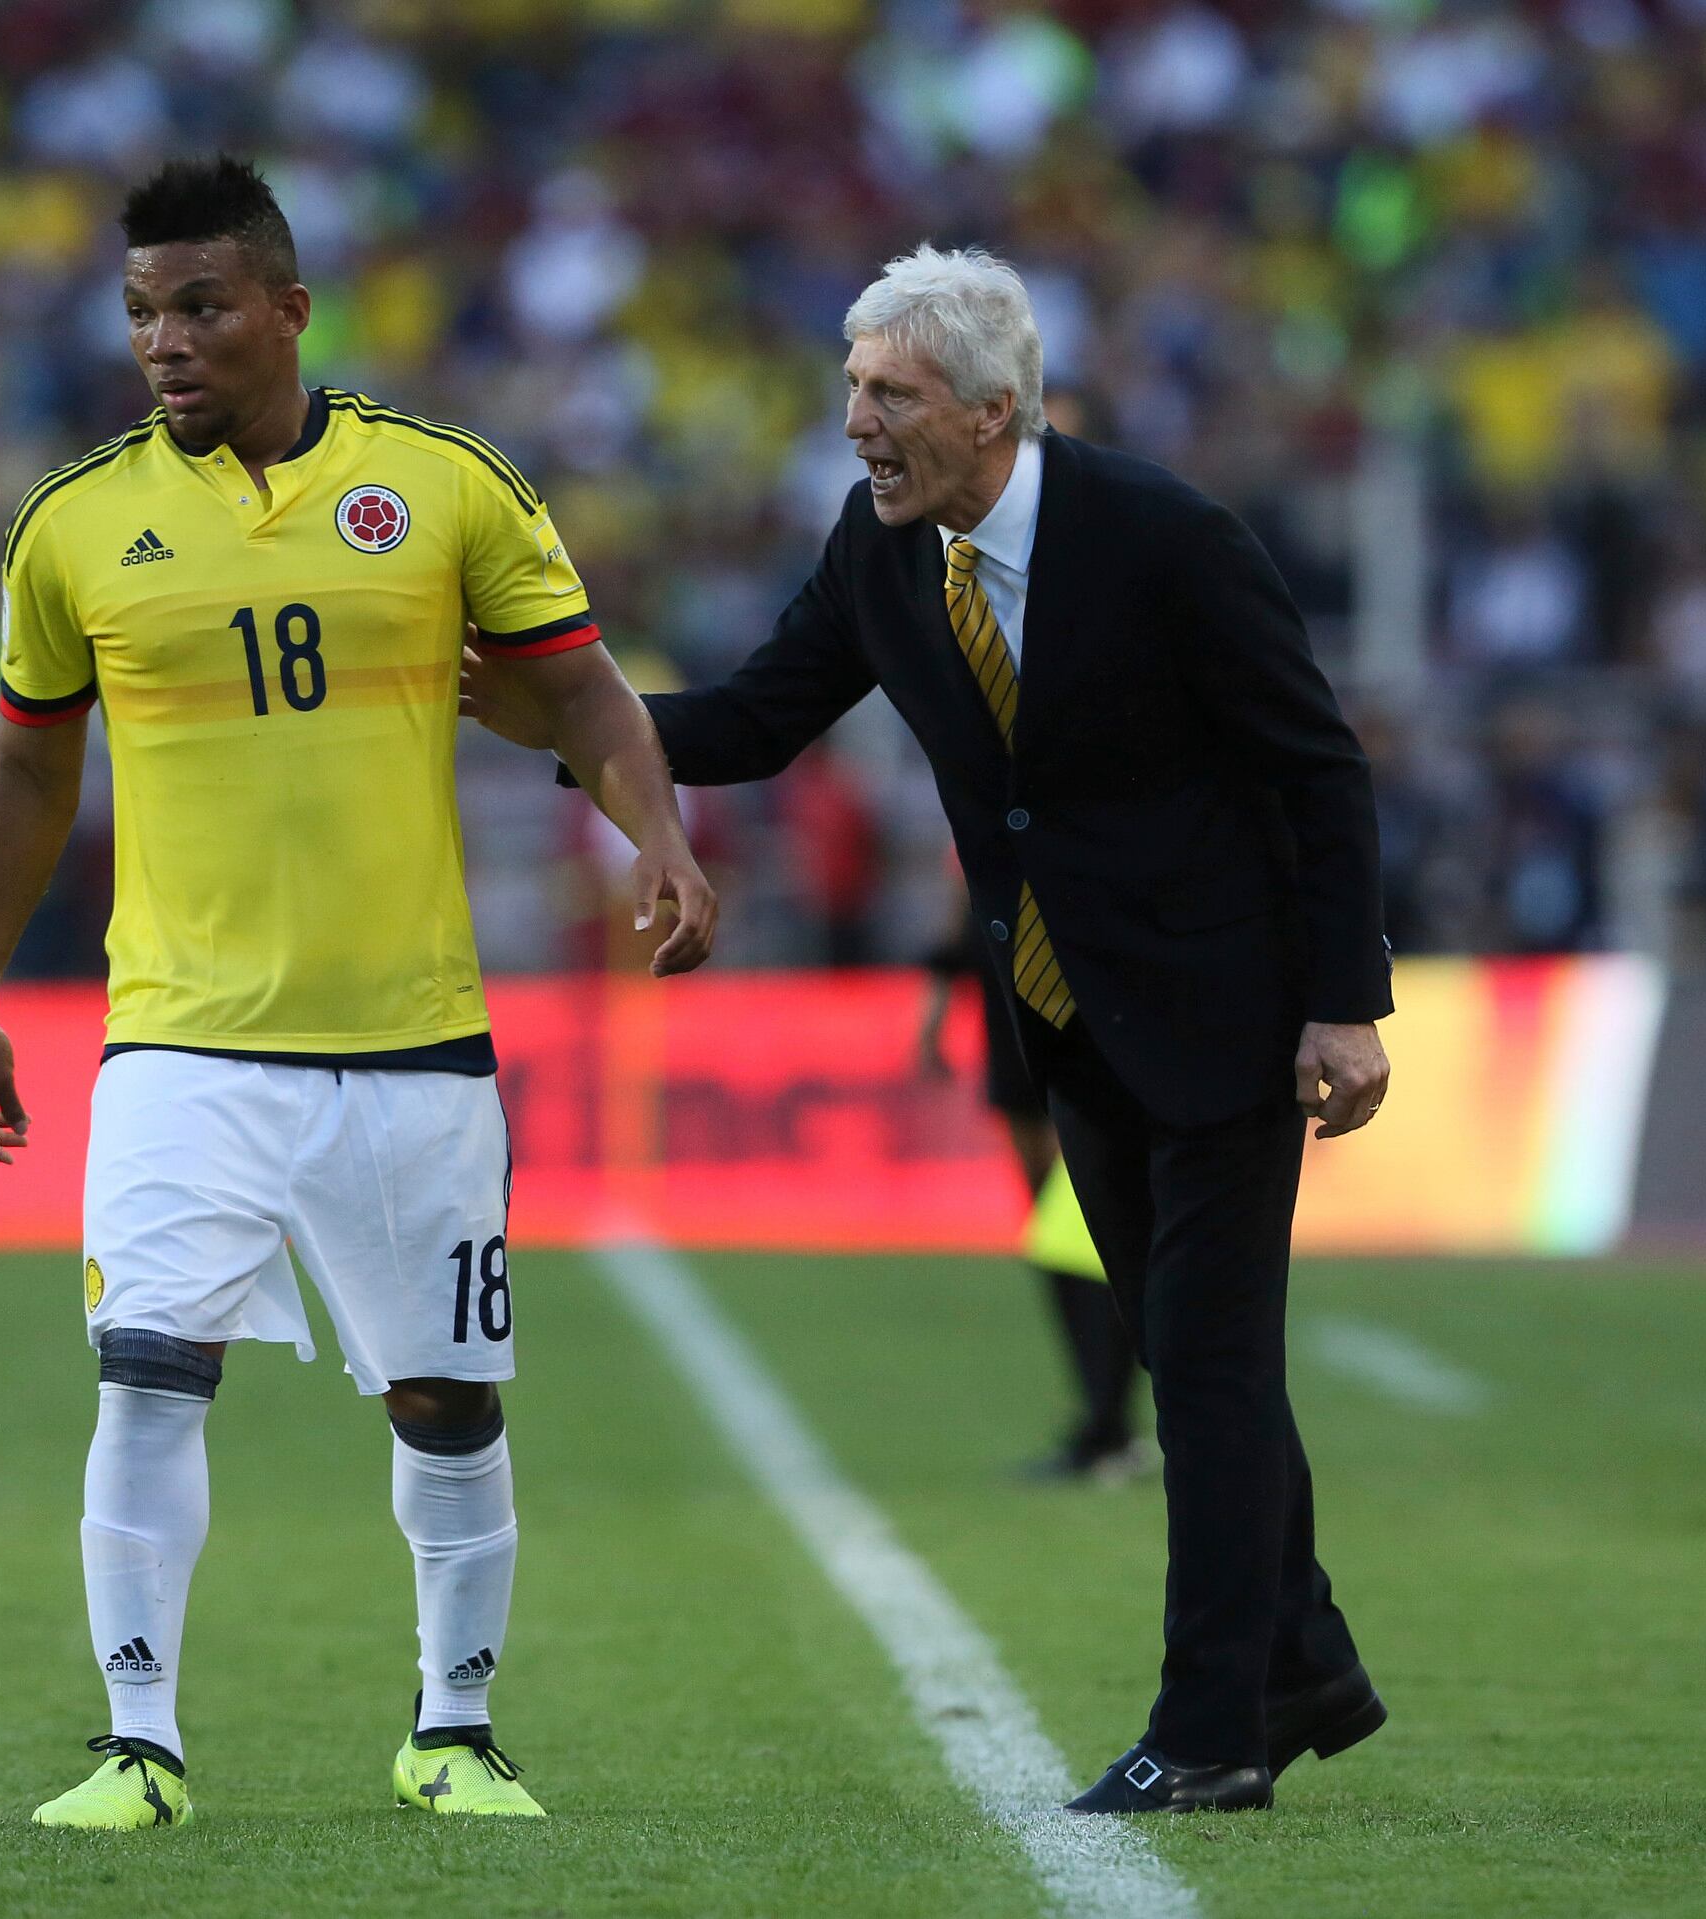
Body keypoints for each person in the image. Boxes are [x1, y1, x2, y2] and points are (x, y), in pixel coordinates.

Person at [468, 246, 1394, 1814]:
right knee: (1185, 1351)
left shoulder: (1167, 536)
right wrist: (564, 715)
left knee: (1214, 1364)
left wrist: (1345, 999)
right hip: (1063, 1014)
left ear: (990, 412)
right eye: (851, 392)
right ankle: (1301, 1664)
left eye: (890, 396)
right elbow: (757, 719)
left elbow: (1319, 768)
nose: (858, 425)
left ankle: (1217, 1727)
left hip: (1223, 1009)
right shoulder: (884, 549)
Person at [0, 156, 714, 1832]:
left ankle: (453, 1726)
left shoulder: (442, 488)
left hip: (411, 1041)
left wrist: (660, 836)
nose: (167, 340)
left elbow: (583, 696)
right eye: (144, 310)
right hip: (178, 1038)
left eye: (202, 305)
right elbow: (22, 779)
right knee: (144, 1368)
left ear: (291, 310)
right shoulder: (74, 523)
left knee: (447, 1396)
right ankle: (139, 1740)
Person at [915, 883, 1148, 1481]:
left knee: (1081, 1234)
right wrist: (939, 1002)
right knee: (1064, 1234)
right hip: (1017, 1008)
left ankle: (1108, 1428)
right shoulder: (991, 803)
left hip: (1088, 1015)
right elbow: (968, 881)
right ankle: (1106, 1423)